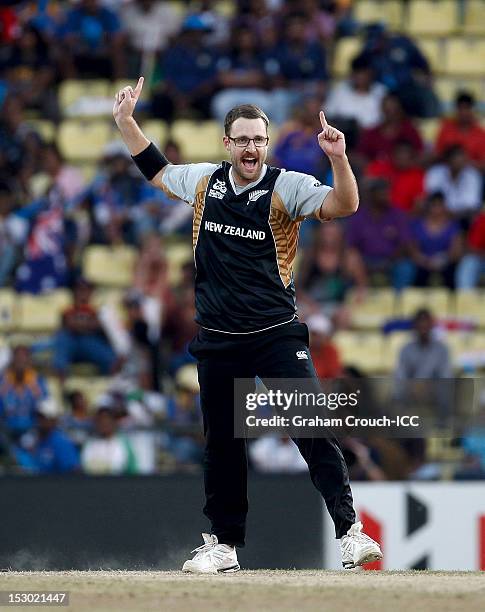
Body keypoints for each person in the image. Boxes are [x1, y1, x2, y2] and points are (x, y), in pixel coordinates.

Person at [113, 76, 382, 572]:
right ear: (227, 144)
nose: (251, 147)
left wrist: (338, 159)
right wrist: (126, 122)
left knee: (312, 430)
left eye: (259, 138)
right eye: (242, 139)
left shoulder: (287, 187)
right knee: (223, 447)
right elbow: (156, 170)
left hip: (275, 334)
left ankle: (350, 532)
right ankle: (224, 545)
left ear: (267, 141)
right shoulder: (204, 182)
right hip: (218, 340)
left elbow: (345, 205)